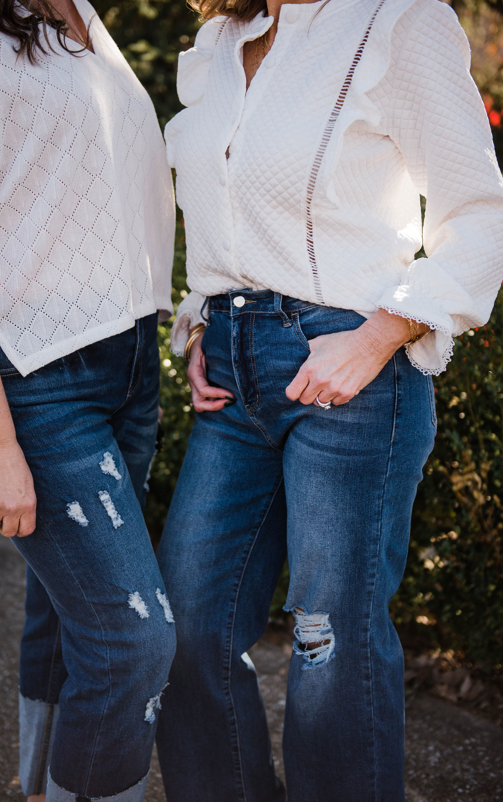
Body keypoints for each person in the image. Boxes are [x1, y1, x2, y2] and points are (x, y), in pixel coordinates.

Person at [155, 0, 503, 799]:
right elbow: (221, 213)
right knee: (186, 627)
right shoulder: (221, 41)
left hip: (349, 369)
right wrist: (202, 321)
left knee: (328, 643)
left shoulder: (397, 22)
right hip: (235, 373)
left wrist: (378, 336)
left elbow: (480, 215)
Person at [0, 0, 176, 799]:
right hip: (36, 376)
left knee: (68, 614)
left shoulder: (81, 13)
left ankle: (37, 783)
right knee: (134, 640)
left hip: (128, 363)